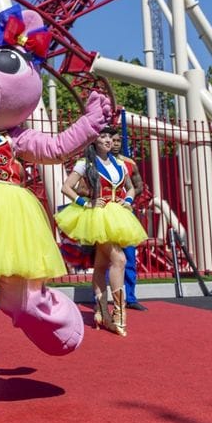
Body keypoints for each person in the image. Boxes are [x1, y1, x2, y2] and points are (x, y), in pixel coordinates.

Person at [55, 130, 147, 336]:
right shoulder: (85, 164)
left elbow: (131, 187)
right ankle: (118, 314)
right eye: (104, 137)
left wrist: (129, 200)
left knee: (101, 264)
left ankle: (101, 311)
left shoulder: (121, 164)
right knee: (120, 260)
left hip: (117, 215)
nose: (108, 141)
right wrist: (86, 203)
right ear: (94, 141)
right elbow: (67, 187)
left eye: (110, 138)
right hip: (97, 217)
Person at [107, 126, 148, 311]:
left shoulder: (128, 163)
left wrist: (128, 198)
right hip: (105, 214)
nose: (115, 144)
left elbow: (139, 185)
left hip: (124, 214)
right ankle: (103, 297)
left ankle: (130, 298)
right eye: (112, 140)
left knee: (129, 256)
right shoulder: (97, 163)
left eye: (117, 141)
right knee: (105, 256)